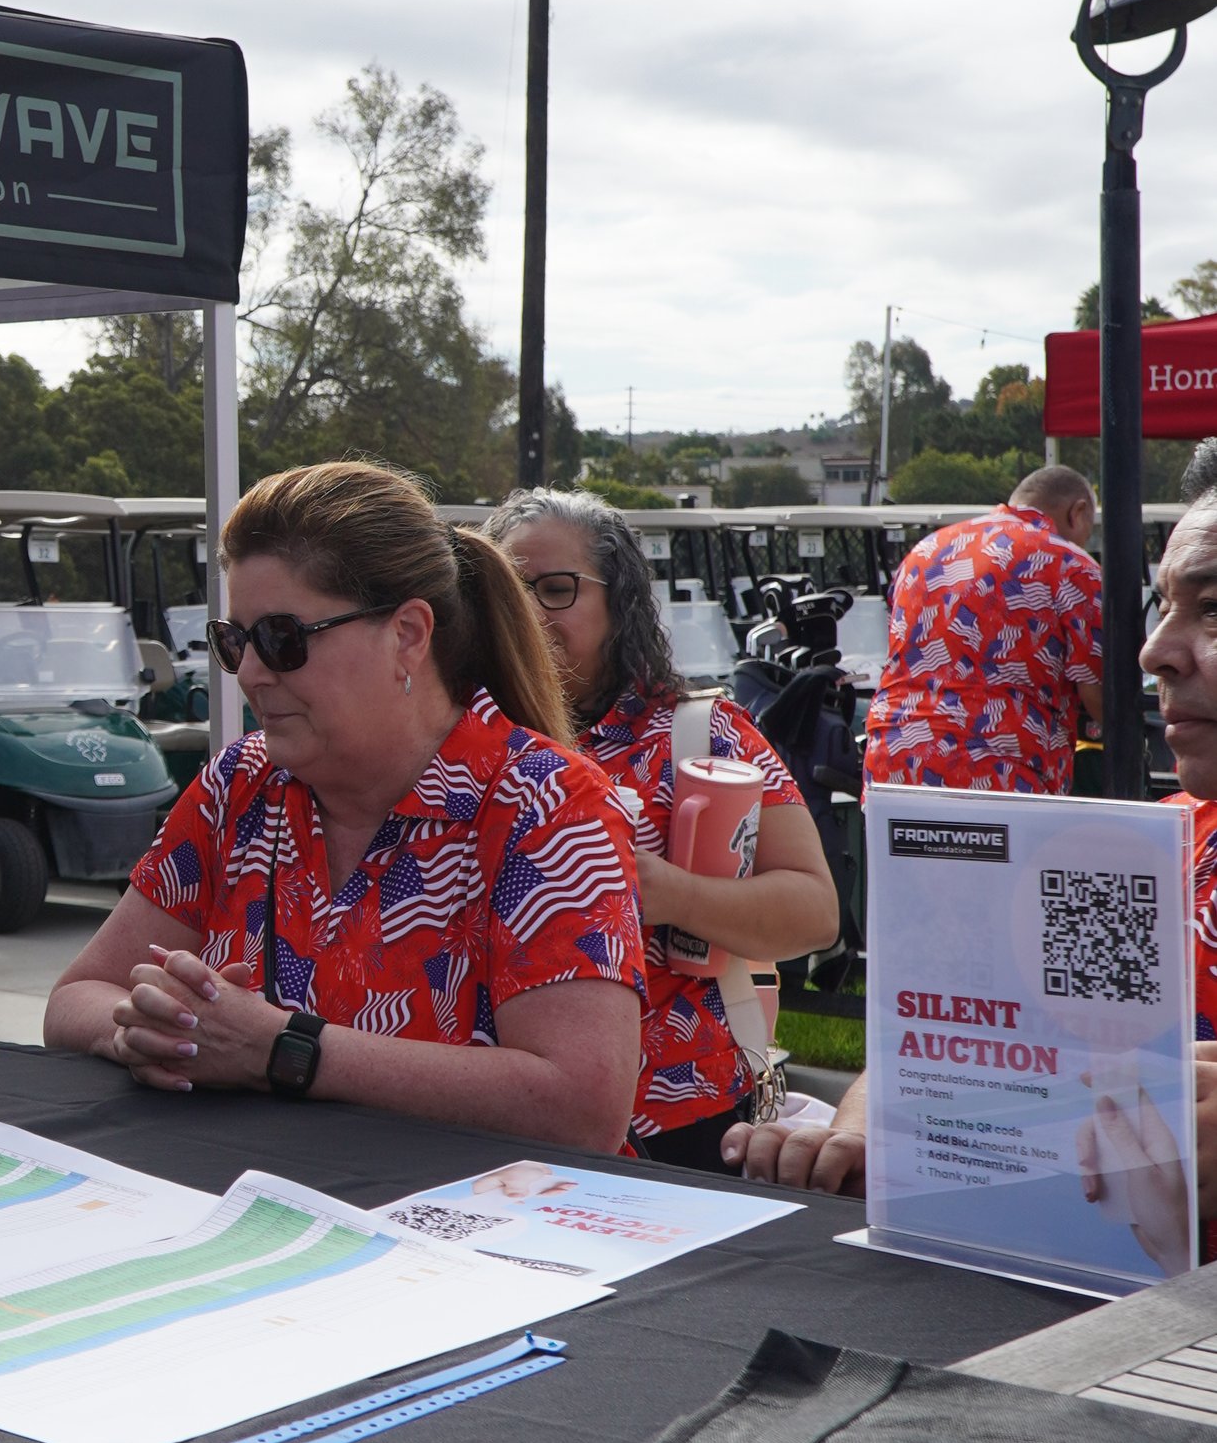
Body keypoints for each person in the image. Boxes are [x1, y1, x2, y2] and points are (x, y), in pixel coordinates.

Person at [44, 461, 645, 1151]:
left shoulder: (544, 804)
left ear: (409, 635)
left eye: (282, 639)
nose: (249, 672)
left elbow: (582, 1106)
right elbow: (74, 999)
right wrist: (153, 1026)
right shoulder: (239, 783)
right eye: (234, 641)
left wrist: (283, 1051)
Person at [730, 485, 1217, 1214]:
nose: (1152, 652)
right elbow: (954, 1033)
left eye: (1211, 608)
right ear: (1079, 514)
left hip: (905, 784)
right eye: (1164, 606)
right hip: (1010, 790)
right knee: (955, 982)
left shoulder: (929, 550)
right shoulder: (1139, 854)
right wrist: (874, 1136)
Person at [486, 490, 841, 1170]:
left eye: (557, 589)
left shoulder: (698, 735)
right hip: (496, 1114)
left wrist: (667, 893)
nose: (530, 612)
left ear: (619, 604)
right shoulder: (457, 742)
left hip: (677, 1119)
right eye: (510, 589)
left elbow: (814, 913)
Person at [859, 465, 1102, 796]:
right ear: (1079, 512)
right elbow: (1101, 695)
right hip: (999, 771)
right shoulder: (1070, 564)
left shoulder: (924, 552)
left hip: (892, 764)